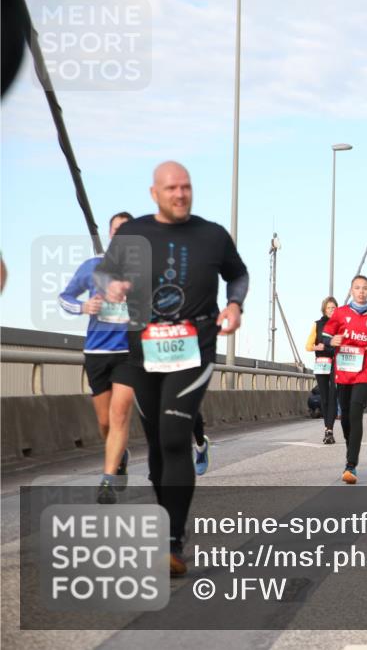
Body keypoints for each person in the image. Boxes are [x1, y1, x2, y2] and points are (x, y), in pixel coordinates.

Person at [96, 161, 249, 576]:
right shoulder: (132, 234)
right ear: (154, 193)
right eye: (171, 188)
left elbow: (237, 274)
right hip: (143, 350)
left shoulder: (212, 234)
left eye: (186, 187)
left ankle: (173, 541)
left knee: (175, 434)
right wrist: (111, 286)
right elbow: (106, 272)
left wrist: (234, 305)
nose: (180, 194)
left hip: (194, 346)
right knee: (159, 447)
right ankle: (166, 526)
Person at [60, 212, 136, 502]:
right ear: (110, 234)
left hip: (128, 354)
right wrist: (83, 307)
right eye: (117, 230)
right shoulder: (92, 268)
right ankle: (120, 454)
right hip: (96, 352)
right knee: (105, 423)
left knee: (119, 416)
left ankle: (106, 481)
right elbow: (64, 297)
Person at [323, 275, 367, 484]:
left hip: (364, 370)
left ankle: (351, 466)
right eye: (357, 288)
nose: (361, 291)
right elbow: (324, 336)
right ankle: (352, 447)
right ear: (351, 290)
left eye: (365, 288)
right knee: (346, 417)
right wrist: (332, 340)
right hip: (343, 370)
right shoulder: (339, 314)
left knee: (356, 412)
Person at [305, 296, 338, 444]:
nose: (332, 310)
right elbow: (308, 345)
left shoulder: (341, 324)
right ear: (324, 309)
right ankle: (327, 428)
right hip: (322, 363)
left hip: (337, 363)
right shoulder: (317, 325)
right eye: (329, 308)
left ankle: (330, 430)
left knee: (333, 396)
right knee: (324, 397)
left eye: (334, 307)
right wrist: (316, 347)